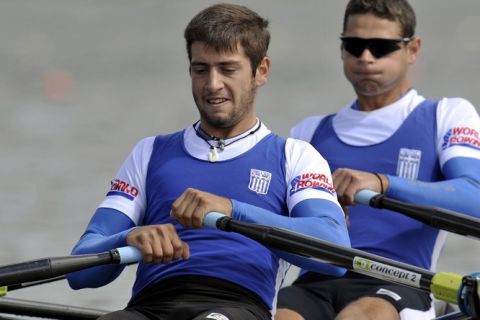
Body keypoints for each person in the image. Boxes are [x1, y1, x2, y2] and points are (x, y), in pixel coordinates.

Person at [66, 3, 350, 320]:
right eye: (201, 70)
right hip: (149, 307)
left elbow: (335, 254)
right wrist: (128, 238)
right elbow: (80, 273)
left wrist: (232, 210)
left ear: (261, 71)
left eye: (227, 69)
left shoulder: (295, 157)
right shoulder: (149, 153)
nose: (212, 84)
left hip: (238, 305)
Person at [275, 0, 480, 319]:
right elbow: (277, 228)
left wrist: (383, 184)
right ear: (342, 50)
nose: (366, 57)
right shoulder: (308, 133)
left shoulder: (447, 115)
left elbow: (475, 197)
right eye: (355, 45)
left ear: (412, 49)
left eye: (381, 47)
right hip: (315, 282)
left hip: (401, 282)